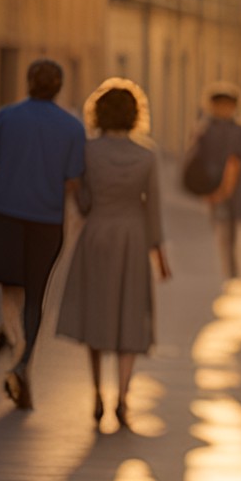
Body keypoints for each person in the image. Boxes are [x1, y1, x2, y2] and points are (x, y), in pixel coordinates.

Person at [56, 78, 169, 428]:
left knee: (97, 315)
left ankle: (97, 394)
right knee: (130, 314)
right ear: (136, 114)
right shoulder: (147, 154)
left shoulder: (88, 151)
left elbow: (84, 202)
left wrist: (76, 193)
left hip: (97, 235)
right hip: (133, 237)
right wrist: (160, 258)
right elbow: (153, 211)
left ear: (98, 112)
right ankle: (123, 396)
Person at [0, 58, 85, 411]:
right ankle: (23, 364)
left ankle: (17, 348)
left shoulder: (7, 117)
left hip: (7, 216)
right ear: (59, 87)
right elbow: (73, 182)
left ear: (28, 82)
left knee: (11, 289)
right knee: (36, 294)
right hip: (48, 222)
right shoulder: (72, 127)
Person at [184, 82, 241, 282]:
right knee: (221, 227)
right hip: (212, 183)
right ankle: (227, 269)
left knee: (232, 228)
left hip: (234, 186)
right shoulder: (205, 128)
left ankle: (231, 268)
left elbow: (236, 161)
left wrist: (225, 188)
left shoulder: (237, 129)